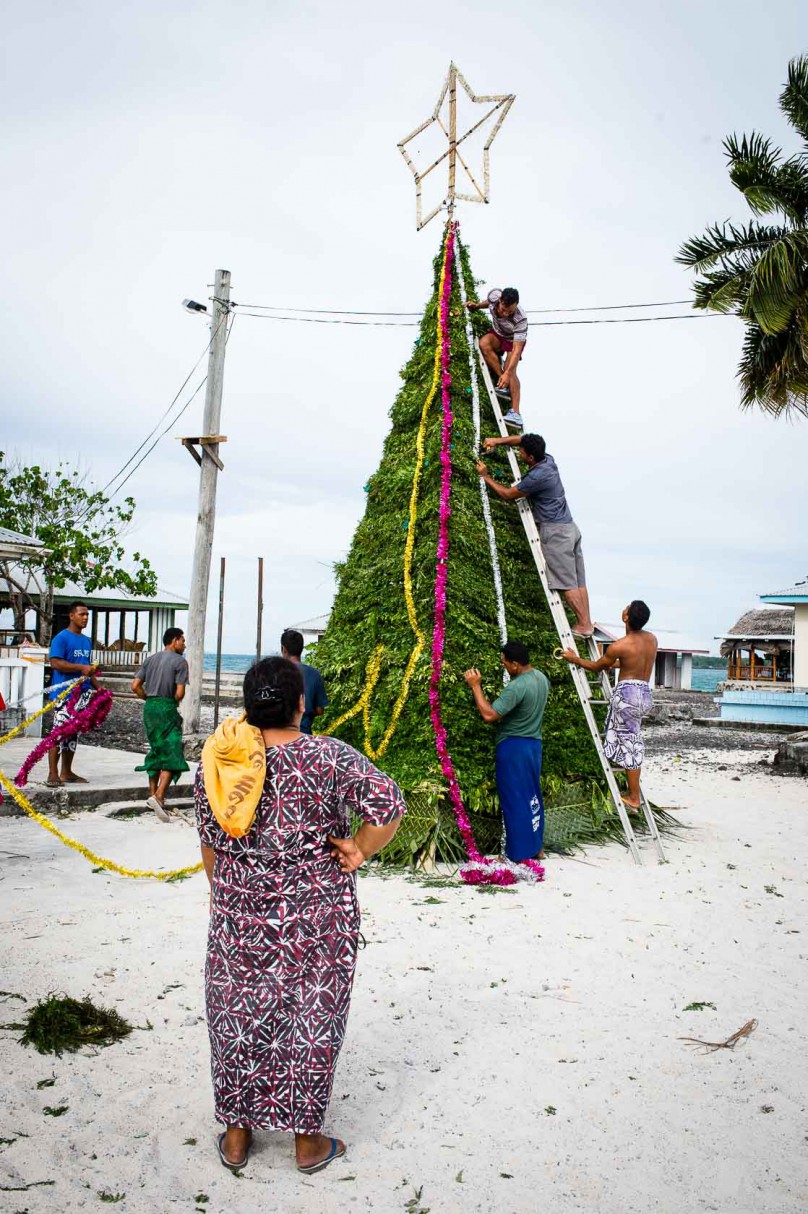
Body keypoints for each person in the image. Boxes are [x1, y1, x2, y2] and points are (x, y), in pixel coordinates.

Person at [195, 656, 405, 1174]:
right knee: (313, 1016)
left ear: (248, 705)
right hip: (318, 916)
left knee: (237, 1015)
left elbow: (209, 843)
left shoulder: (221, 763)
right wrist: (358, 848)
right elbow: (389, 806)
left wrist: (231, 894)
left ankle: (238, 1134)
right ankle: (307, 1143)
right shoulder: (330, 757)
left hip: (240, 914)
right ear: (301, 704)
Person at [477, 432, 594, 637]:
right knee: (578, 581)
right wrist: (497, 441)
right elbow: (521, 439)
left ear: (530, 458)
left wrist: (485, 477)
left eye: (521, 451)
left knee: (566, 582)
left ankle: (584, 625)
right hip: (570, 528)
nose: (519, 451)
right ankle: (587, 622)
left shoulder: (537, 477)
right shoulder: (548, 460)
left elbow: (507, 495)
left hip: (556, 532)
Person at [562, 600, 657, 811]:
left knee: (630, 743)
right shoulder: (651, 639)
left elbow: (597, 667)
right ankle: (632, 791)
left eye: (626, 607)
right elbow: (631, 661)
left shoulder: (620, 646)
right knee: (632, 738)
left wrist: (574, 659)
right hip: (644, 693)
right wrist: (612, 663)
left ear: (626, 618)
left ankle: (633, 797)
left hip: (627, 695)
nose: (623, 607)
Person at [464, 641, 549, 863]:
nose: (503, 666)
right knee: (532, 796)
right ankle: (536, 848)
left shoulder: (517, 686)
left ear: (515, 664)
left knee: (514, 799)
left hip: (514, 748)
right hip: (533, 745)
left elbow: (490, 715)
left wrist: (475, 685)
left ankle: (516, 854)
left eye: (504, 663)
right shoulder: (540, 677)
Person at [131, 627, 190, 822]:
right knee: (172, 751)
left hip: (150, 707)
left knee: (156, 749)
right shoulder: (180, 662)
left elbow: (135, 686)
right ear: (174, 641)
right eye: (182, 640)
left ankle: (152, 796)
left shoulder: (150, 659)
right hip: (166, 706)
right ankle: (159, 796)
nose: (184, 644)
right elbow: (180, 693)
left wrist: (147, 698)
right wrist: (172, 702)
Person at [46, 601, 100, 787]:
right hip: (64, 694)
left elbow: (88, 669)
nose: (85, 618)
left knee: (73, 734)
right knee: (58, 732)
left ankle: (66, 771)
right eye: (81, 614)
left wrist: (99, 689)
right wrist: (80, 667)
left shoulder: (86, 641)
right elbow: (55, 663)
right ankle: (52, 773)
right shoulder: (61, 638)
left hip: (82, 695)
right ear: (71, 616)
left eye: (87, 615)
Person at [465, 285, 527, 428]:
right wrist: (477, 306)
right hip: (498, 334)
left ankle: (516, 414)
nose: (506, 314)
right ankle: (502, 382)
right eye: (504, 310)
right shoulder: (494, 296)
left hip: (513, 341)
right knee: (484, 343)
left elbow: (516, 351)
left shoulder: (520, 319)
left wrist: (508, 373)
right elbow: (488, 303)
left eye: (510, 311)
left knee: (510, 371)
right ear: (500, 301)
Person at [280, 628, 328, 734]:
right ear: (301, 649)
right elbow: (320, 710)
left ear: (283, 649)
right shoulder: (314, 674)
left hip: (279, 736)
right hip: (304, 734)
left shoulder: (276, 673)